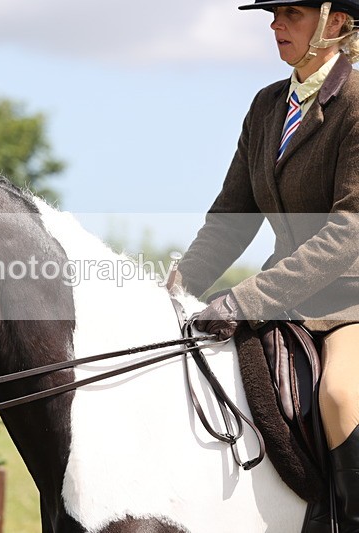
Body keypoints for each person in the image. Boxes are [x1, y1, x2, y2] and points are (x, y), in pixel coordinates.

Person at [174, 1, 359, 530]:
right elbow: (231, 219)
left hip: (350, 301)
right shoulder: (267, 106)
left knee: (340, 394)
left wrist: (247, 298)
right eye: (273, 14)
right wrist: (176, 289)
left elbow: (348, 231)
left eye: (291, 13)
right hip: (288, 299)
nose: (275, 24)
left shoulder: (356, 102)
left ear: (336, 21)